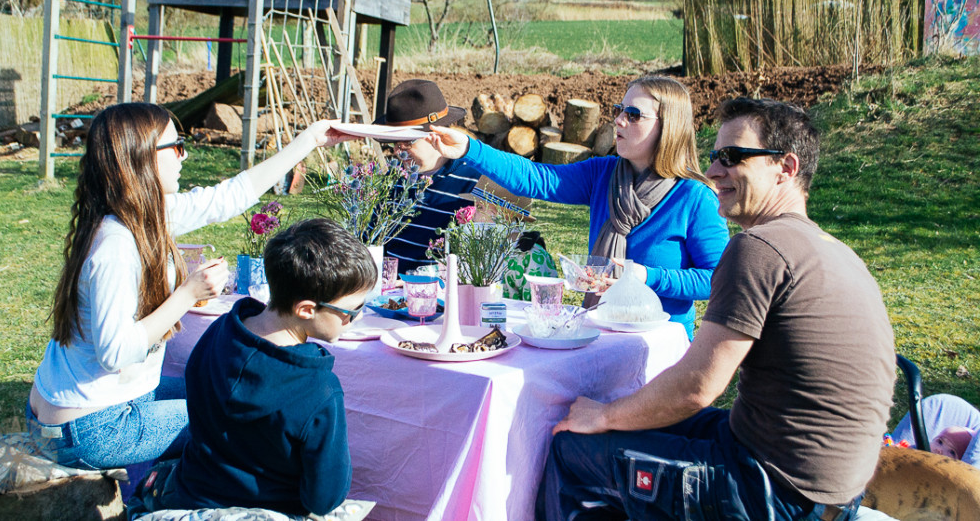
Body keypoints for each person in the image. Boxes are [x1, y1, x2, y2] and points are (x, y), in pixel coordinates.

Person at [534, 97, 896, 521]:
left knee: (572, 448)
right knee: (632, 425)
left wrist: (605, 415)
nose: (712, 172)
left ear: (787, 167)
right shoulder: (835, 251)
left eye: (733, 157)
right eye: (714, 156)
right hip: (830, 487)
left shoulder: (760, 249)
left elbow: (697, 388)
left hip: (772, 492)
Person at [25, 103, 353, 470]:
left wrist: (309, 140)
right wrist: (188, 293)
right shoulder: (116, 245)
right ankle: (178, 500)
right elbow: (115, 354)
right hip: (88, 427)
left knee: (226, 395)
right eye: (177, 146)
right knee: (235, 416)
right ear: (143, 157)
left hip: (88, 413)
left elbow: (231, 196)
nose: (185, 155)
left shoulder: (141, 216)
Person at [424, 75, 729, 338]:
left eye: (634, 114)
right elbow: (535, 178)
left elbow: (718, 280)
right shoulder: (603, 174)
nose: (619, 120)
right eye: (619, 110)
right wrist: (468, 147)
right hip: (597, 331)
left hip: (660, 347)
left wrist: (645, 276)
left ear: (669, 126)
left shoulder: (695, 197)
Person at [127, 218, 374, 517]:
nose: (356, 319)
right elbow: (323, 499)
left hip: (185, 497)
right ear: (306, 309)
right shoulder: (319, 390)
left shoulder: (221, 330)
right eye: (352, 311)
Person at [375, 79, 482, 274]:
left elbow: (475, 260)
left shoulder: (474, 182)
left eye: (407, 143)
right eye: (395, 144)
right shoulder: (396, 178)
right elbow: (372, 239)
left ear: (437, 135)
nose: (400, 153)